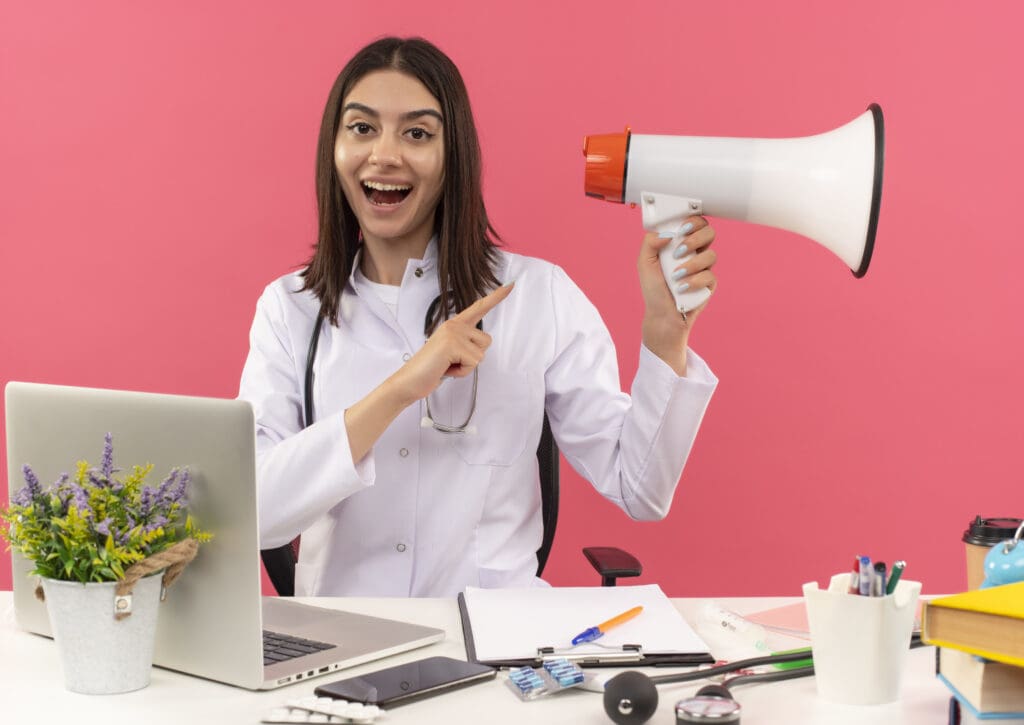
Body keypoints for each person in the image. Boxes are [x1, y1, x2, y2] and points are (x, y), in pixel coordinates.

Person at [238, 36, 719, 597]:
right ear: (334, 147)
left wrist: (666, 337)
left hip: (493, 650)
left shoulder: (537, 297)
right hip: (347, 644)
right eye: (362, 128)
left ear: (454, 156)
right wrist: (400, 389)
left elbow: (640, 490)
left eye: (417, 133)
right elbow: (254, 511)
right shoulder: (290, 309)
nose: (385, 155)